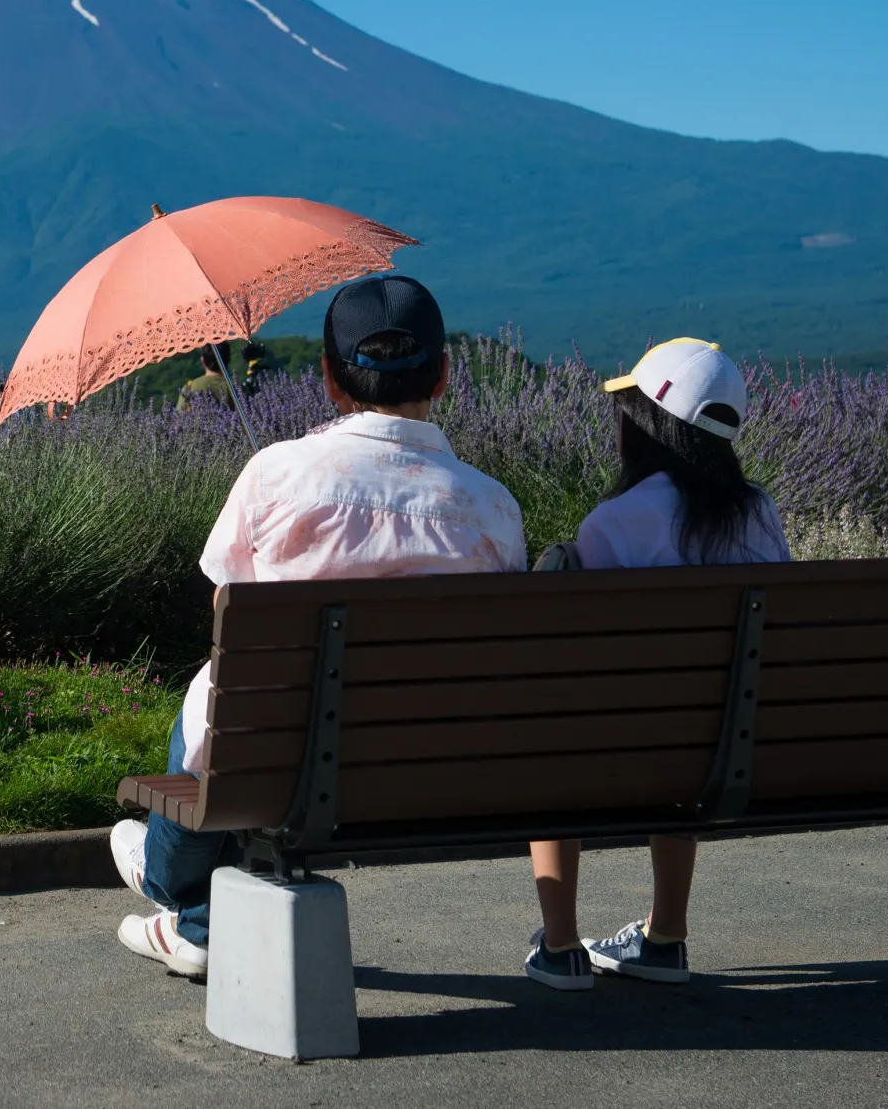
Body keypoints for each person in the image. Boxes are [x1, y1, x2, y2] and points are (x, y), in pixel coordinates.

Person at [109, 276, 526, 977]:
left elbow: (225, 613)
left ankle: (174, 890)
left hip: (277, 762)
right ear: (445, 374)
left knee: (217, 703)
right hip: (433, 772)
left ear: (330, 381)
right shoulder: (495, 510)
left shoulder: (276, 474)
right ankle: (194, 918)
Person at [524, 337, 791, 992]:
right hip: (735, 748)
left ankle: (561, 947)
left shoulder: (615, 524)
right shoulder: (760, 513)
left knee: (546, 728)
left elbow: (577, 668)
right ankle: (665, 936)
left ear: (645, 425)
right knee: (694, 717)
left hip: (617, 752)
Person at [176, 343, 235, 408]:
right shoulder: (234, 387)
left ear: (202, 360)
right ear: (228, 359)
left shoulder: (189, 388)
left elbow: (179, 415)